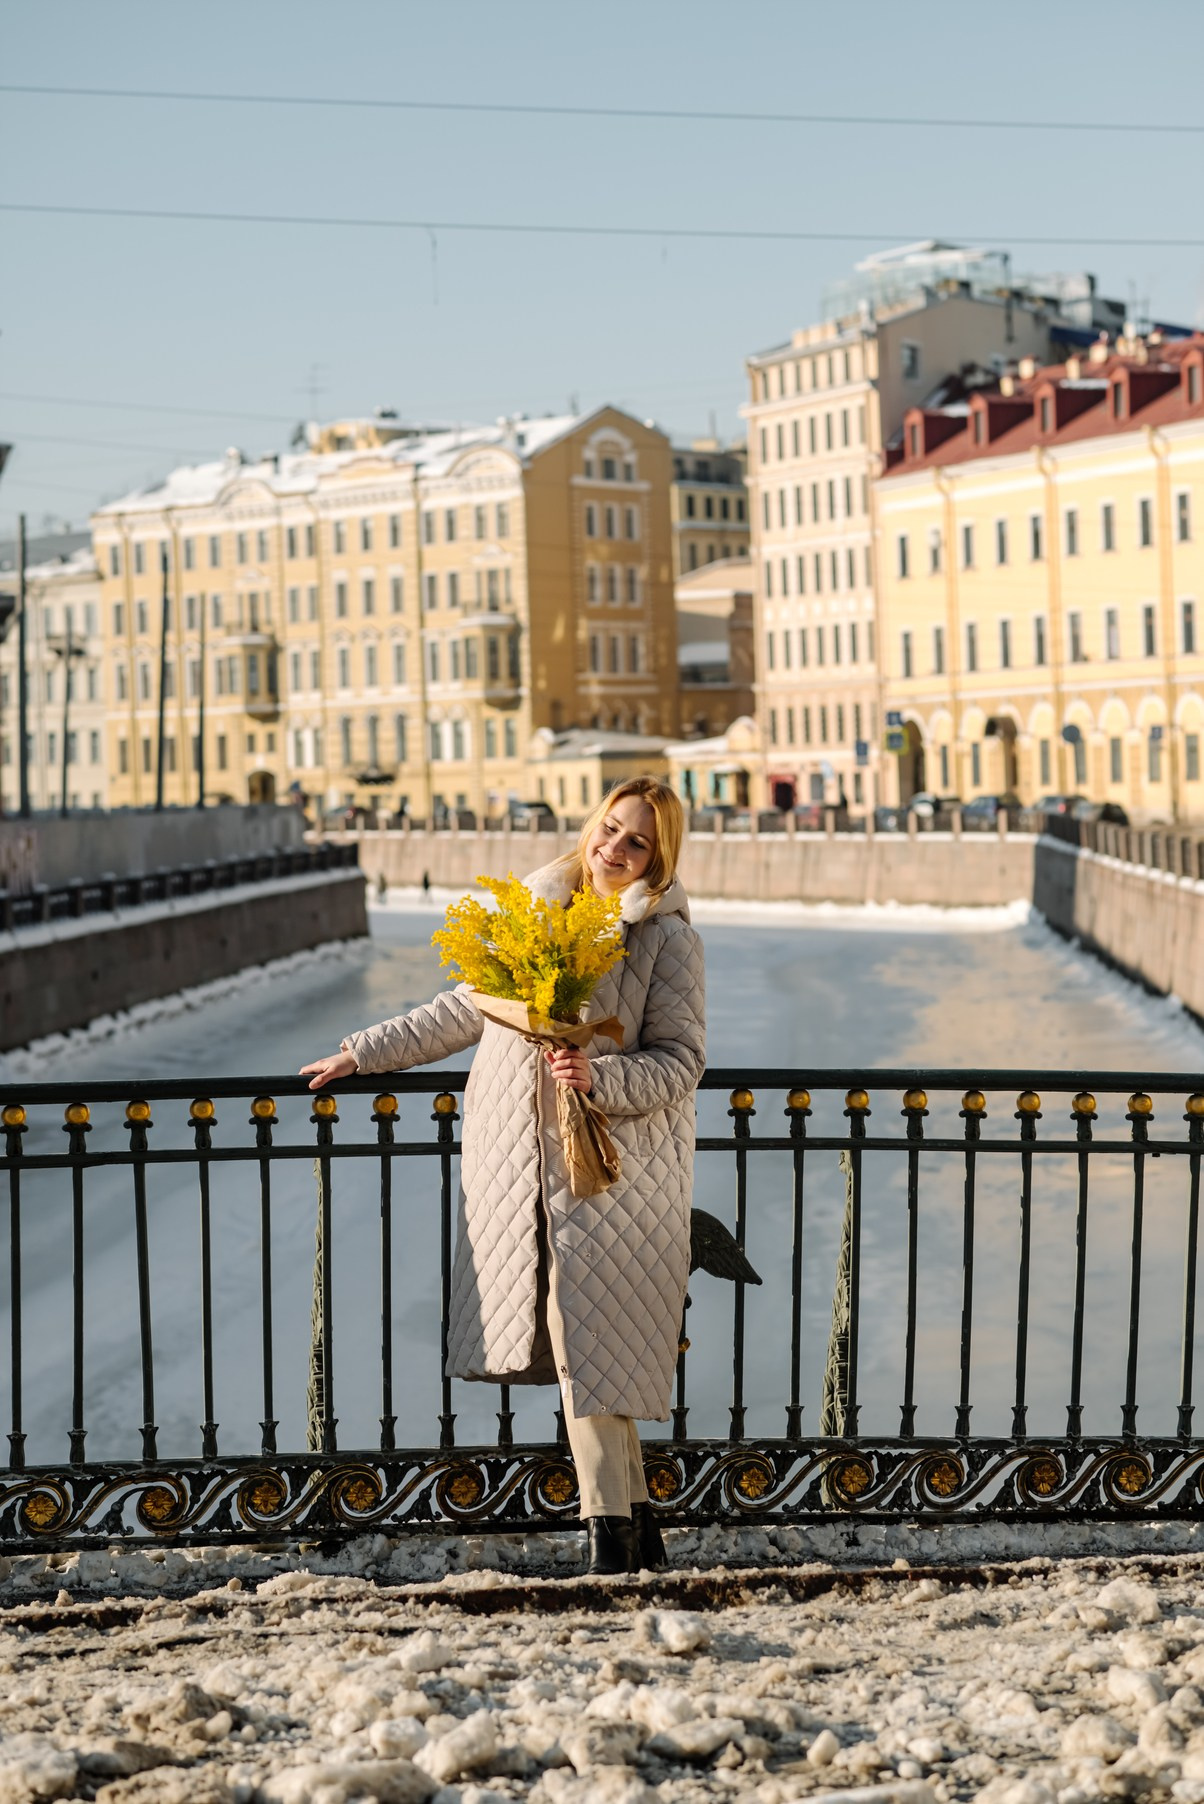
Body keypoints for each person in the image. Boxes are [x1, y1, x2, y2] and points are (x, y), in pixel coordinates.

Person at [300, 776, 705, 1576]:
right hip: (519, 1162)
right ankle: (634, 1529)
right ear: (591, 826)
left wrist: (600, 1078)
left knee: (582, 1341)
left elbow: (682, 1062)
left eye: (638, 843)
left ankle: (605, 1537)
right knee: (592, 1351)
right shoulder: (532, 913)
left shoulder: (666, 939)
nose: (614, 851)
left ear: (659, 859)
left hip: (608, 1173)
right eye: (610, 830)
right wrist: (363, 1052)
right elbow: (464, 1009)